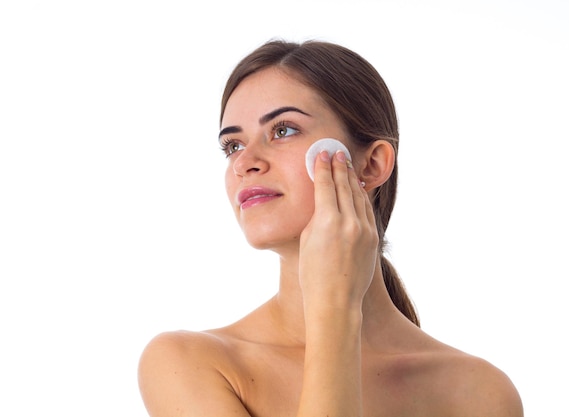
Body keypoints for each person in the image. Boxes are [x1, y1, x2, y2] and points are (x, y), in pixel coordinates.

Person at [138, 39, 523, 417]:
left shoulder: (480, 393)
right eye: (232, 146)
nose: (245, 163)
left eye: (283, 129)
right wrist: (334, 312)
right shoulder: (187, 363)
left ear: (372, 165)